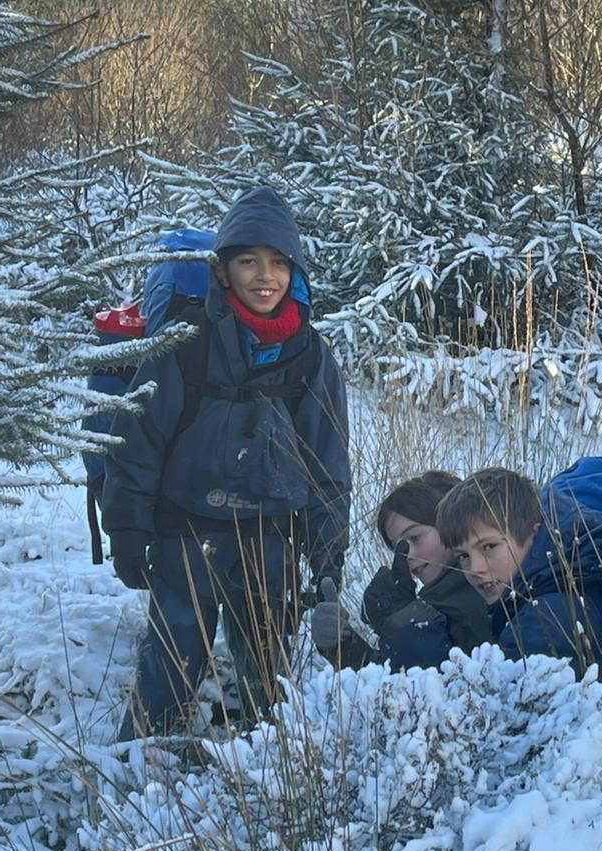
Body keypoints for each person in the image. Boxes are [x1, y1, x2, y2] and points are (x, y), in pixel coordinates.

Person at [102, 187, 351, 739]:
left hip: (272, 538)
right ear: (222, 271)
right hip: (185, 533)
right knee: (172, 663)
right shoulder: (184, 344)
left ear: (295, 272)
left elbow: (328, 461)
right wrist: (127, 530)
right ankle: (142, 762)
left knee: (270, 673)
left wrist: (328, 553)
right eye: (248, 262)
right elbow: (137, 443)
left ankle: (271, 766)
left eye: (279, 263)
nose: (265, 276)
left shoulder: (310, 355)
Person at [435, 465, 602, 679]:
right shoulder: (570, 573)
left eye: (489, 546)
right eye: (463, 556)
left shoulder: (544, 622)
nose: (475, 568)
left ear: (533, 533)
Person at [312, 470, 494, 668]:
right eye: (397, 547)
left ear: (454, 526)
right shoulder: (437, 603)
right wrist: (342, 646)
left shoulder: (487, 595)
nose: (406, 556)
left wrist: (404, 619)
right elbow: (398, 678)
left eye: (415, 538)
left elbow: (443, 679)